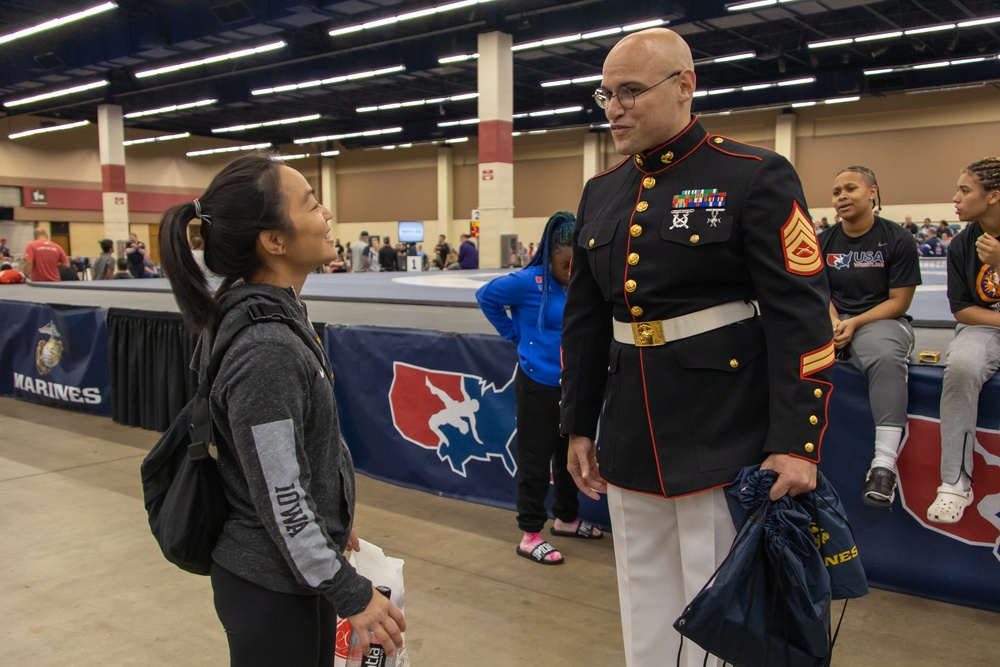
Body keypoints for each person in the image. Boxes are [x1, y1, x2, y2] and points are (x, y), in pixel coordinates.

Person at [559, 28, 834, 667]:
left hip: (725, 433)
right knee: (645, 607)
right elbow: (587, 323)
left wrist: (798, 443)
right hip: (629, 435)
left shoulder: (753, 175)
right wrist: (578, 425)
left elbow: (802, 320)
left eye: (630, 91)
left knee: (721, 616)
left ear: (685, 86)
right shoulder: (602, 192)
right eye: (606, 95)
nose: (614, 108)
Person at [157, 153, 405, 665]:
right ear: (274, 241)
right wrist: (352, 592)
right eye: (311, 204)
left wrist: (333, 511)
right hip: (269, 587)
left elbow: (291, 455)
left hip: (291, 574)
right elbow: (281, 497)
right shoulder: (265, 347)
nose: (327, 213)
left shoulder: (266, 311)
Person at [476, 212, 602, 566]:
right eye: (565, 264)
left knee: (570, 458)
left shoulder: (580, 284)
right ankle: (530, 534)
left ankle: (566, 518)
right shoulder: (528, 281)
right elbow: (485, 296)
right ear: (551, 257)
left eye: (577, 264)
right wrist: (514, 334)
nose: (571, 271)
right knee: (535, 459)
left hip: (571, 387)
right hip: (536, 385)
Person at [820, 166, 921, 508]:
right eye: (836, 192)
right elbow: (817, 291)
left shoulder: (898, 239)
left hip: (880, 319)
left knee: (883, 357)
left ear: (873, 192)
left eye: (850, 189)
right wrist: (833, 320)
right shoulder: (823, 241)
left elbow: (899, 301)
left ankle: (883, 465)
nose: (842, 197)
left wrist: (855, 322)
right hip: (833, 319)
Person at [928, 157, 1000, 524]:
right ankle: (954, 483)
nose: (955, 198)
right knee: (961, 366)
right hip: (985, 327)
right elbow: (963, 310)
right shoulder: (962, 244)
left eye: (965, 190)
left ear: (993, 196)